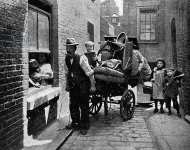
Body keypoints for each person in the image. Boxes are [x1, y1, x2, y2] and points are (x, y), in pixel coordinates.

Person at [64, 38, 96, 135]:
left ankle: (85, 126)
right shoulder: (66, 59)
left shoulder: (81, 58)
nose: (68, 49)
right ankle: (75, 123)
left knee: (84, 106)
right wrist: (67, 84)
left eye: (70, 47)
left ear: (74, 48)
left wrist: (93, 86)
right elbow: (67, 73)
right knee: (73, 105)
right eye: (67, 47)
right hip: (73, 86)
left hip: (83, 85)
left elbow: (90, 73)